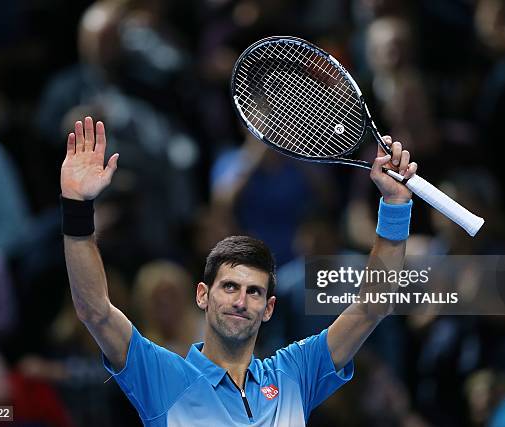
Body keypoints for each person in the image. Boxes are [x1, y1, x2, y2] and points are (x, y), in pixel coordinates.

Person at [60, 116, 417, 426]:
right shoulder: (164, 377)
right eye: (230, 287)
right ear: (203, 295)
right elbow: (95, 310)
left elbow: (373, 306)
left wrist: (395, 205)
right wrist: (77, 206)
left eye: (255, 291)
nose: (241, 300)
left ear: (269, 308)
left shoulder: (294, 373)